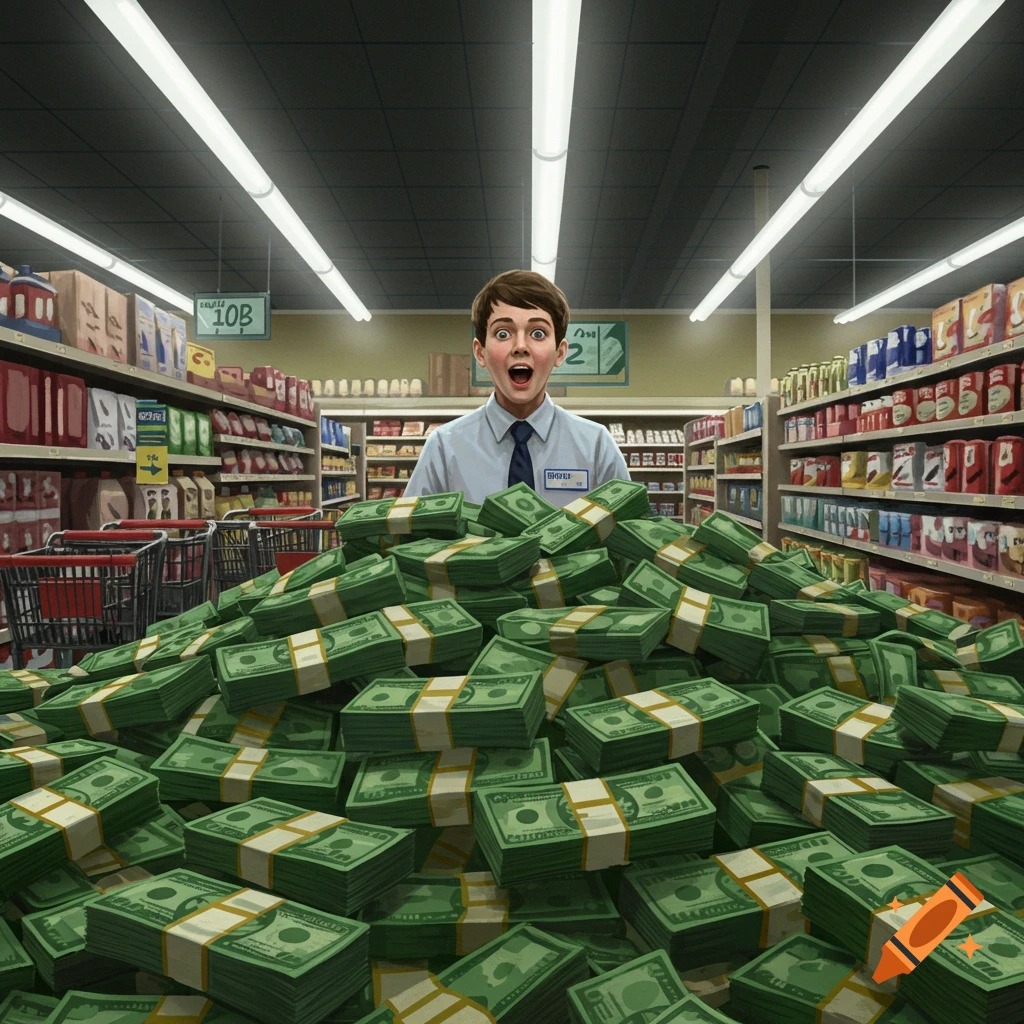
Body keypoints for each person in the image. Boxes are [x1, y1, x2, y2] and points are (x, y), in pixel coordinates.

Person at [403, 270, 630, 506]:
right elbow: (413, 536)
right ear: (480, 352)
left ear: (560, 353)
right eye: (503, 333)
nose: (520, 346)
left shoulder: (597, 446)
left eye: (538, 333)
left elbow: (628, 535)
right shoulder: (443, 447)